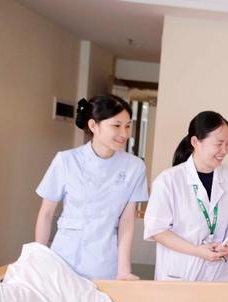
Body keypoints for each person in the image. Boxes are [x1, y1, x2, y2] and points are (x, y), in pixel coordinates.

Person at [144, 111, 228, 302]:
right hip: (184, 276)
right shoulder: (169, 181)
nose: (225, 150)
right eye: (219, 143)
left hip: (221, 276)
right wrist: (197, 251)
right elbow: (157, 230)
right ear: (195, 142)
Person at [35, 95, 148, 280]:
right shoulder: (66, 161)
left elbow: (127, 221)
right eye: (116, 125)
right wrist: (39, 260)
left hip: (105, 260)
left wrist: (124, 270)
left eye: (128, 126)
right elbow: (46, 214)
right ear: (94, 125)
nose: (124, 134)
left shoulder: (135, 167)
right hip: (65, 257)